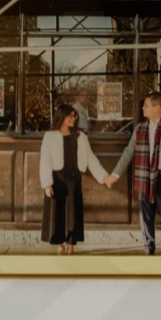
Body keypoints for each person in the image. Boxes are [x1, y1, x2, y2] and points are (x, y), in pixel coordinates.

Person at [106, 92, 161, 255]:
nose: (143, 108)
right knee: (145, 217)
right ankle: (148, 252)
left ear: (157, 108)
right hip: (144, 178)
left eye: (146, 105)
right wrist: (115, 175)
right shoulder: (140, 128)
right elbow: (128, 152)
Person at [39, 104, 112, 255]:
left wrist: (104, 176)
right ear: (61, 116)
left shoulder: (80, 136)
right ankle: (60, 244)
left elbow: (91, 159)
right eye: (70, 116)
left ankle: (71, 244)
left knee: (73, 213)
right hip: (56, 179)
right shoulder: (50, 136)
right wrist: (47, 184)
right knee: (57, 212)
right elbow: (45, 160)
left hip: (73, 179)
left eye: (74, 116)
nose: (73, 118)